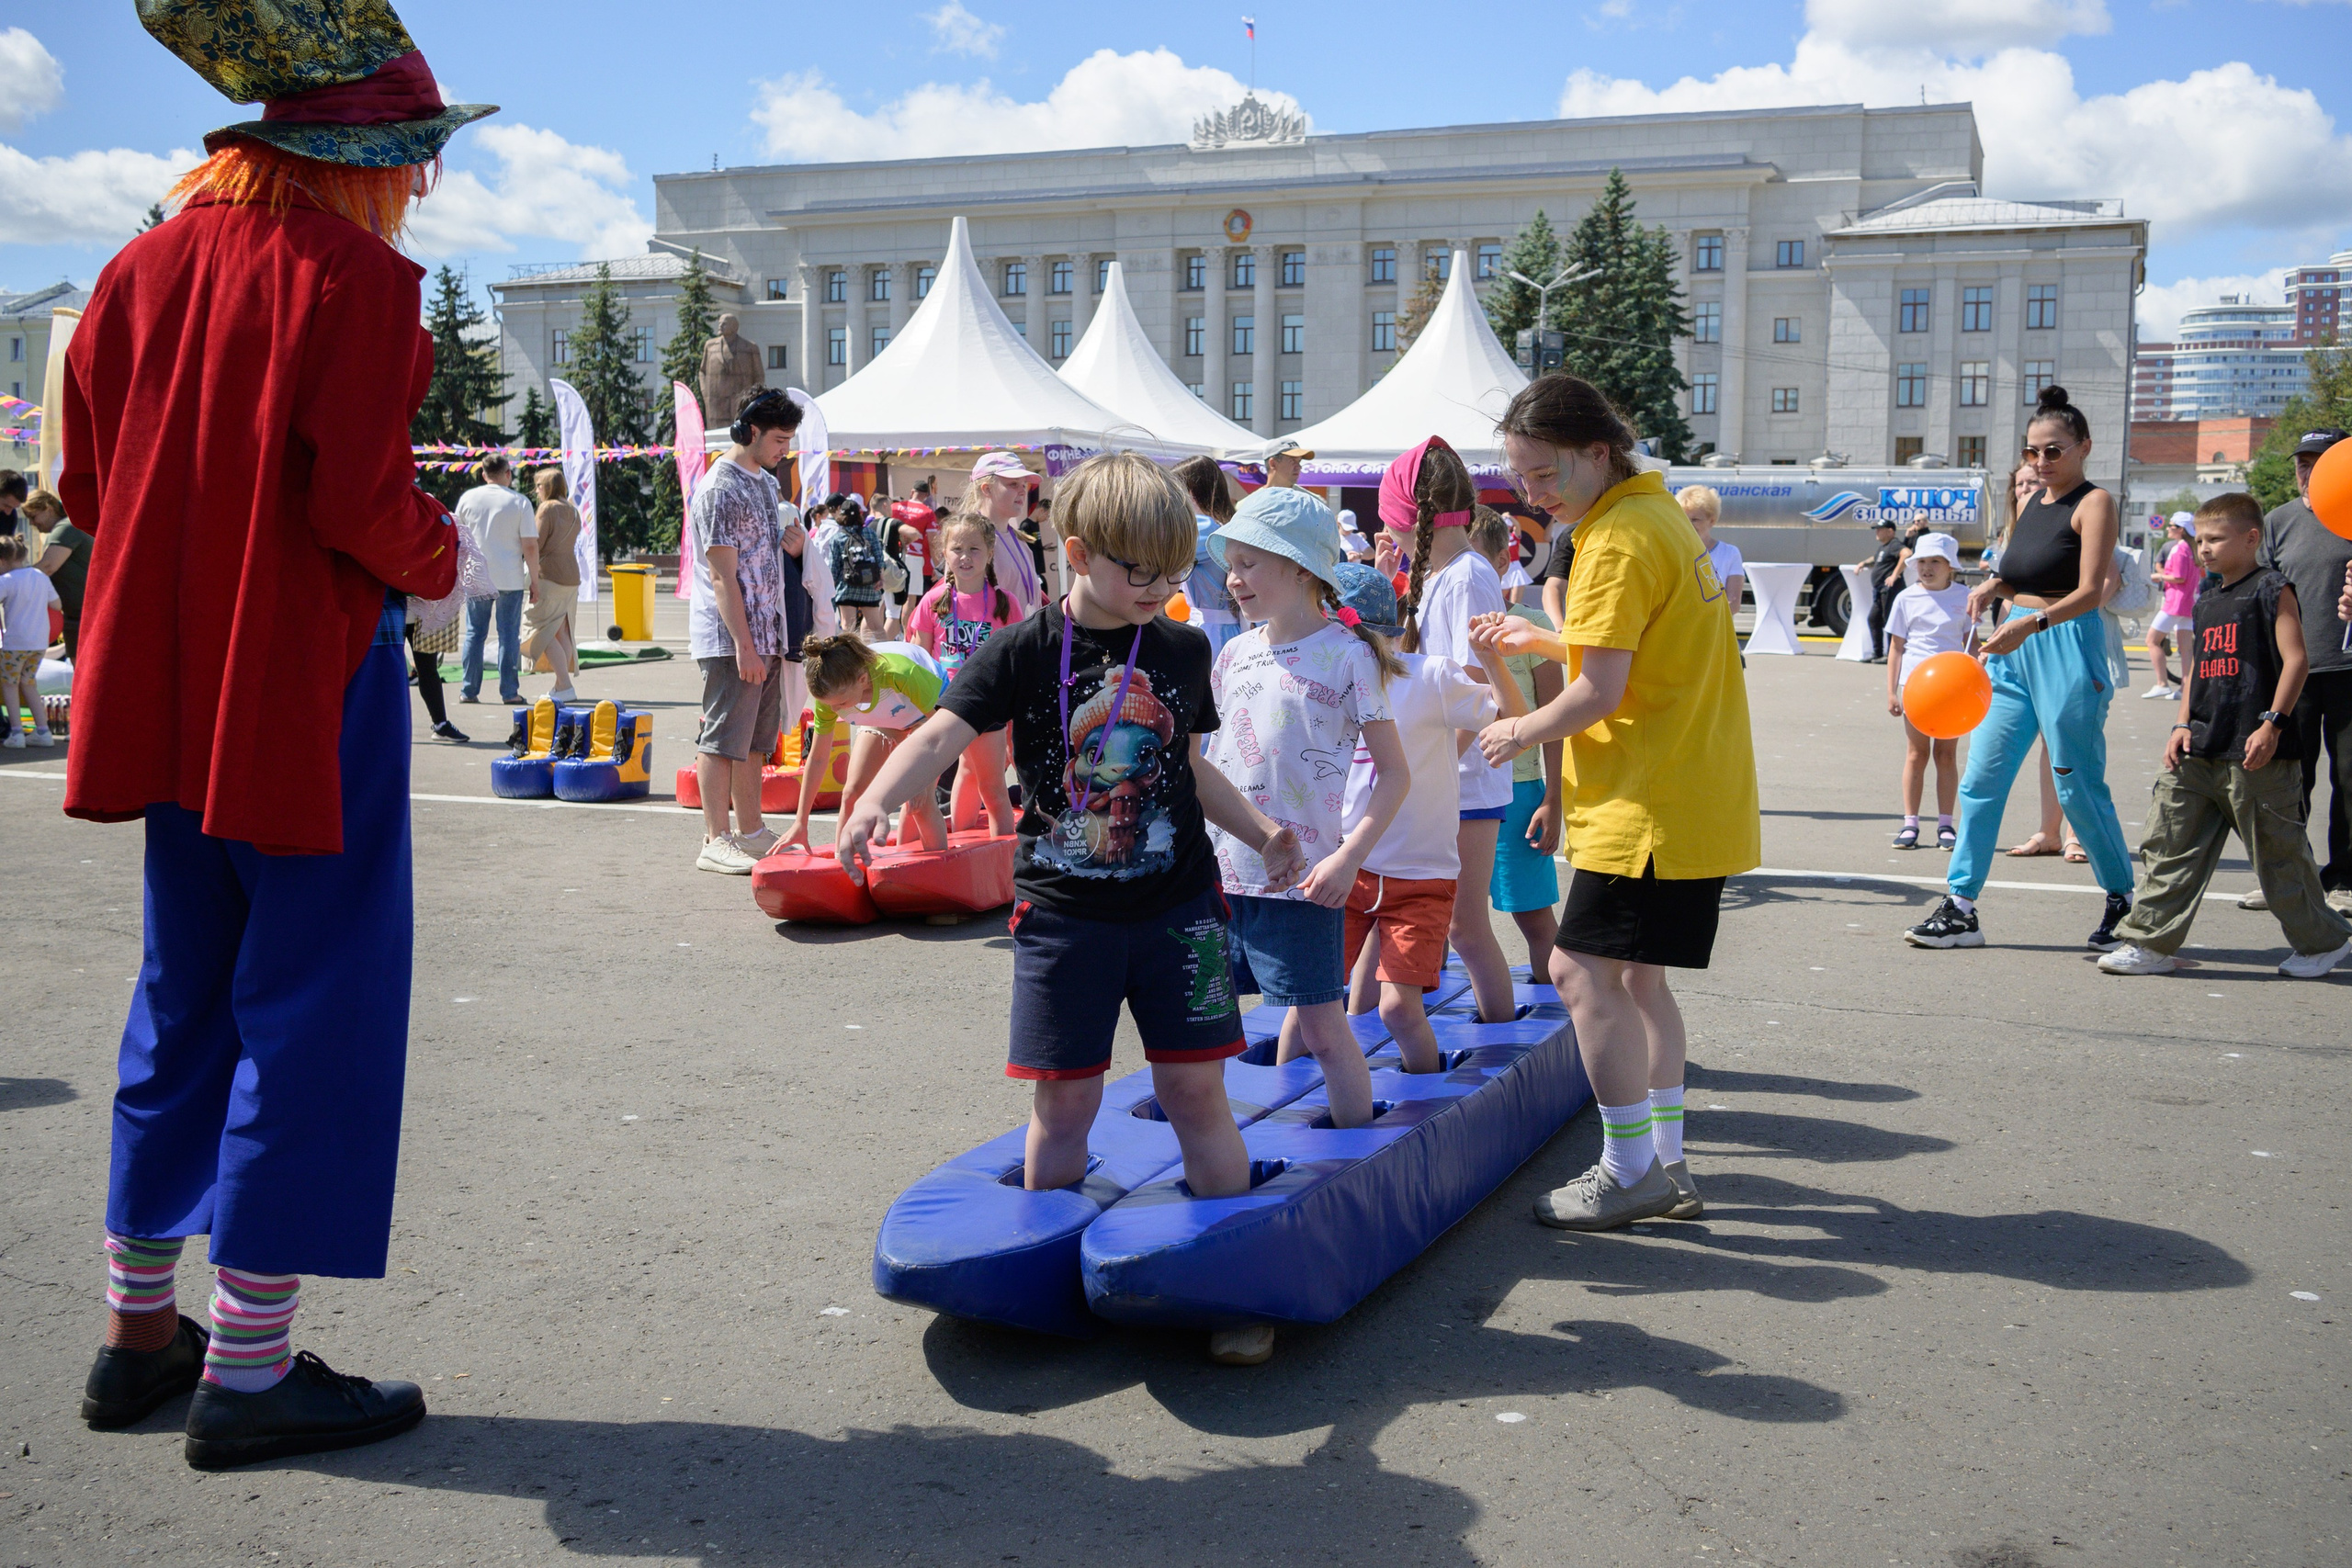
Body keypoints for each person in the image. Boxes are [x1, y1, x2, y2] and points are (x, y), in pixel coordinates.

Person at [60, 0, 482, 1467]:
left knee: (185, 989)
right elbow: (362, 505)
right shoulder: (356, 280)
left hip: (169, 685)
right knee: (314, 998)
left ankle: (136, 1335)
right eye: (413, 164)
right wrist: (445, 559)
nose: (417, 187)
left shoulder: (133, 268)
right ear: (364, 160)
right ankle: (249, 1365)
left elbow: (86, 483)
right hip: (305, 682)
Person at [828, 451, 1304, 1368]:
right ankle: (1031, 1280)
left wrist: (1264, 831)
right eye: (1140, 572)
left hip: (1181, 915)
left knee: (1197, 1092)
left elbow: (1190, 768)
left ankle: (1233, 1283)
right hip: (1063, 920)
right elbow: (938, 730)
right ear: (1080, 553)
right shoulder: (1023, 649)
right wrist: (879, 797)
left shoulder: (1179, 646)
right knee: (1064, 1107)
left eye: (1174, 571)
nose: (1162, 589)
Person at [1474, 373, 1758, 1233]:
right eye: (1521, 478)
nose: (1533, 494)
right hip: (1687, 793)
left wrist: (1516, 733)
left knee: (1575, 969)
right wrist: (1544, 638)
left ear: (1598, 451)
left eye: (1546, 474)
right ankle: (1663, 1161)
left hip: (1648, 808)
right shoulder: (1654, 514)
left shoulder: (1613, 540)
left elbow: (1597, 693)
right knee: (1639, 981)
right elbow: (1638, 656)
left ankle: (1630, 1168)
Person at [1204, 485, 1410, 1148]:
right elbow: (1209, 762)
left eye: (1250, 563)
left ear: (1302, 570)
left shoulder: (1348, 656)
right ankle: (1211, 1149)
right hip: (1218, 874)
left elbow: (1395, 775)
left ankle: (1359, 1156)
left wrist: (1348, 857)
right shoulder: (1234, 653)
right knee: (1202, 1028)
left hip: (1299, 883)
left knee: (1323, 1027)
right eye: (1229, 563)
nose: (1233, 578)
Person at [1907, 386, 2135, 951]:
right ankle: (1961, 907)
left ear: (2084, 446)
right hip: (2013, 651)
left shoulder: (2095, 502)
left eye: (2053, 451)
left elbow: (2089, 590)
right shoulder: (2034, 502)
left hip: (2064, 643)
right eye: (2033, 452)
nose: (2040, 462)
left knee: (2077, 782)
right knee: (1983, 778)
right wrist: (1994, 585)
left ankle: (2122, 900)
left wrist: (2029, 623)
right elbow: (2025, 573)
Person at [2098, 494, 2352, 978]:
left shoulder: (2271, 588)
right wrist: (2179, 723)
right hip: (2200, 745)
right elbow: (2194, 672)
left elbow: (2296, 660)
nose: (2204, 549)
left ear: (2251, 538)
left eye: (2215, 539)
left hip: (2256, 750)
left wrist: (2272, 723)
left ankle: (2323, 944)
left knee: (2279, 857)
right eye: (2199, 540)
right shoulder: (2208, 597)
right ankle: (2150, 942)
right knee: (2169, 843)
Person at [1330, 562, 1510, 1071]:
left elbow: (1508, 717)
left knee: (1399, 1009)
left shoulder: (1427, 676)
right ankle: (1281, 1096)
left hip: (1420, 876)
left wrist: (1490, 661)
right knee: (1315, 1003)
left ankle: (1424, 1099)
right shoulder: (1324, 686)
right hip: (1349, 870)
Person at [1385, 434, 1518, 1026]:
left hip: (1465, 783)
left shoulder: (1465, 576)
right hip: (1444, 779)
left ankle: (1499, 1034)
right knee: (1431, 921)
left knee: (1464, 925)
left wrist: (1424, 772)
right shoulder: (1444, 574)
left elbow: (1474, 691)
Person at [687, 387, 803, 874]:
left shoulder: (764, 482)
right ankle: (715, 838)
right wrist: (744, 646)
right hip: (733, 638)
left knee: (756, 741)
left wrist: (792, 546)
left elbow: (761, 557)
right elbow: (721, 576)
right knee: (722, 738)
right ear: (750, 431)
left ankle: (751, 830)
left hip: (766, 632)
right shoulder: (719, 487)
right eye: (779, 439)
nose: (784, 450)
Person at [2258, 427, 2352, 910]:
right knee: (2290, 777)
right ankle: (2287, 877)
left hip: (2348, 669)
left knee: (2351, 778)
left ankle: (2345, 879)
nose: (2308, 472)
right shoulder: (2278, 521)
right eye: (2303, 463)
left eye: (2321, 462)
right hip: (2292, 675)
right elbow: (2259, 591)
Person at [1470, 508, 1565, 973]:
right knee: (1449, 920)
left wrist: (1554, 797)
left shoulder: (1531, 627)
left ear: (1502, 565)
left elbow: (1558, 718)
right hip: (1455, 791)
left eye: (1477, 562)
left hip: (1519, 790)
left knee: (1533, 918)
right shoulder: (1430, 625)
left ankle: (1559, 1016)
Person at [904, 513, 1018, 836]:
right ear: (944, 553)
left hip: (989, 706)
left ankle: (1002, 863)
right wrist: (921, 716)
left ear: (990, 552)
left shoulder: (1005, 603)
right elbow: (920, 661)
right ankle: (911, 857)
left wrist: (1014, 713)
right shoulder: (931, 602)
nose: (965, 557)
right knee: (919, 788)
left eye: (974, 549)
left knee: (990, 786)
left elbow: (1017, 661)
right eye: (957, 549)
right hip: (945, 707)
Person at [781, 633, 948, 854]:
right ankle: (844, 865)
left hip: (928, 717)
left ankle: (937, 869)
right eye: (830, 705)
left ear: (862, 680)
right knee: (852, 793)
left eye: (841, 704)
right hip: (888, 717)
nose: (835, 711)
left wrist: (922, 782)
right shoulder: (831, 697)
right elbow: (818, 757)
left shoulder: (899, 672)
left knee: (920, 801)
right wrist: (801, 822)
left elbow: (941, 730)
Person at [1883, 532, 1971, 850]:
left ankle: (1946, 825)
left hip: (1953, 689)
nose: (1927, 567)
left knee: (1946, 755)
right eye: (1922, 561)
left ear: (1951, 567)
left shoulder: (1965, 596)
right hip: (1916, 687)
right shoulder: (1906, 598)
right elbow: (1896, 647)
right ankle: (1910, 824)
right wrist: (1892, 691)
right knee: (1916, 754)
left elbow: (1971, 643)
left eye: (1936, 561)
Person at [453, 455, 537, 705]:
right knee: (509, 635)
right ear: (508, 474)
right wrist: (535, 580)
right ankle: (509, 692)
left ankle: (469, 690)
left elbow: (457, 540)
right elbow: (530, 546)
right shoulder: (519, 502)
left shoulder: (468, 498)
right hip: (509, 578)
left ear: (483, 474)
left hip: (476, 575)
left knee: (474, 634)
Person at [1171, 454, 1244, 657]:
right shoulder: (1226, 526)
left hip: (1209, 631)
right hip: (1230, 628)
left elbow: (1158, 553)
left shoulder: (1204, 528)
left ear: (1192, 492)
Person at [524, 468, 582, 704]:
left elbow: (534, 543)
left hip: (549, 574)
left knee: (541, 630)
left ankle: (565, 685)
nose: (536, 491)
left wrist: (533, 579)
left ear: (547, 487)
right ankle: (560, 686)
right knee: (562, 629)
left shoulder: (547, 509)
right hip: (571, 575)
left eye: (538, 486)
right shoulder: (573, 510)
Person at [963, 451, 1046, 617]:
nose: (1022, 491)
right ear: (987, 489)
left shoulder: (1019, 540)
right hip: (994, 641)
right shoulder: (969, 539)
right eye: (1013, 484)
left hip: (1023, 640)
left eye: (1024, 485)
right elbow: (964, 607)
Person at [0, 534, 61, 745]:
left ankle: (16, 733)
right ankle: (43, 732)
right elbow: (56, 605)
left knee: (9, 684)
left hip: (15, 644)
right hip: (39, 643)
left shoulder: (5, 581)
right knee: (28, 683)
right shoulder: (40, 576)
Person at [28, 490, 91, 663]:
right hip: (75, 616)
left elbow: (47, 567)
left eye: (33, 516)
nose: (32, 524)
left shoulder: (66, 527)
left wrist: (11, 579)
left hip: (85, 616)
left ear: (48, 509)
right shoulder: (64, 528)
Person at [2143, 513, 2197, 699]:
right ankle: (2185, 688)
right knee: (2186, 648)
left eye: (2171, 525)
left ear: (2180, 529)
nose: (2167, 528)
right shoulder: (2192, 548)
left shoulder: (2179, 548)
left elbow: (2179, 577)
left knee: (2152, 640)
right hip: (2188, 601)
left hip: (2175, 602)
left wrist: (2157, 576)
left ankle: (2162, 683)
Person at [1678, 484, 1747, 620]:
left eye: (1695, 519)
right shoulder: (1674, 551)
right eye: (1684, 519)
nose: (1689, 525)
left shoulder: (1730, 553)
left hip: (1716, 630)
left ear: (1712, 520)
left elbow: (1733, 603)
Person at [825, 496, 888, 637]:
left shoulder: (838, 538)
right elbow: (879, 558)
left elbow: (834, 568)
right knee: (876, 627)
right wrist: (880, 579)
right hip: (869, 586)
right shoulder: (870, 533)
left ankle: (854, 658)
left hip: (847, 587)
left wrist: (831, 590)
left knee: (849, 628)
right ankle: (887, 655)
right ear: (860, 515)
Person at [1859, 518, 1904, 661]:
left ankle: (1891, 655)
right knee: (1873, 619)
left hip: (1889, 589)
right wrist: (1864, 563)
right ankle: (1877, 653)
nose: (1877, 532)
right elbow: (1876, 558)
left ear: (1890, 531)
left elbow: (1907, 554)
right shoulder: (1885, 546)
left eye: (1880, 529)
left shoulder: (1894, 544)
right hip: (1880, 591)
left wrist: (1894, 575)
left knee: (1890, 621)